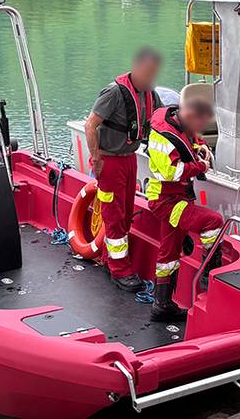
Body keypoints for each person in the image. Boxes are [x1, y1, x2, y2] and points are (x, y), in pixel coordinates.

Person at [84, 48, 162, 292]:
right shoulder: (114, 93)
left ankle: (110, 258)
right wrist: (96, 158)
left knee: (126, 213)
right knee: (114, 215)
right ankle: (120, 271)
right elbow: (90, 125)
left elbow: (160, 120)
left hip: (129, 159)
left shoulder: (150, 94)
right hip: (110, 161)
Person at [145, 97, 223, 322]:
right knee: (213, 221)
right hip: (166, 201)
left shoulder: (180, 123)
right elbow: (172, 173)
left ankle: (162, 305)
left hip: (176, 198)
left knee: (168, 254)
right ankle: (210, 273)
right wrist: (202, 166)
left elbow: (192, 139)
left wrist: (202, 147)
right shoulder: (162, 138)